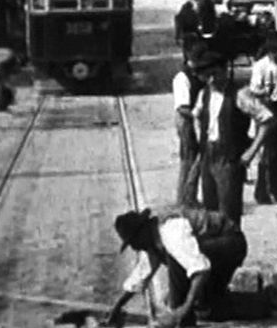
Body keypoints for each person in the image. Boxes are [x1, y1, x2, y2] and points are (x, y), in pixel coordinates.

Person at [103, 207, 260, 327]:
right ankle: (261, 302)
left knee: (175, 261)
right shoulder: (152, 239)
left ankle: (183, 320)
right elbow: (141, 274)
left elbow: (200, 270)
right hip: (215, 248)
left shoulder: (170, 232)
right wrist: (117, 307)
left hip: (230, 242)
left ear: (142, 232)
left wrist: (181, 311)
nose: (135, 248)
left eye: (133, 242)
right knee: (208, 308)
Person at [239, 32, 277, 204]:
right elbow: (254, 91)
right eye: (274, 50)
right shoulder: (261, 66)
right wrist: (265, 94)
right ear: (269, 51)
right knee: (270, 154)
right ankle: (267, 192)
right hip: (268, 107)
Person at [191, 50, 251, 225]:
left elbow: (267, 120)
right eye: (207, 76)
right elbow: (196, 115)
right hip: (208, 156)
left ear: (225, 70)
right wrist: (201, 141)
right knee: (210, 212)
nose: (211, 80)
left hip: (228, 158)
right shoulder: (204, 94)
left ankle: (231, 240)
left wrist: (250, 152)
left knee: (228, 213)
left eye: (215, 74)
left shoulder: (239, 94)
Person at [173, 48, 206, 207]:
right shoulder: (182, 78)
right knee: (188, 159)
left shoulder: (197, 75)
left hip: (194, 119)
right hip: (187, 120)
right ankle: (184, 199)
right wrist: (197, 115)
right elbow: (182, 107)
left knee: (196, 160)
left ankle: (190, 196)